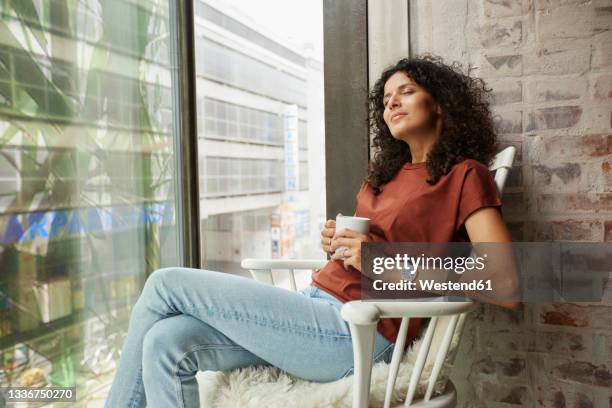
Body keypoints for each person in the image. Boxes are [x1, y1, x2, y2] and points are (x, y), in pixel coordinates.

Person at [105, 55, 514, 408]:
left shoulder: (464, 176)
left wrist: (382, 261)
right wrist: (339, 247)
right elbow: (365, 256)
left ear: (440, 103)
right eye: (387, 97)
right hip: (315, 308)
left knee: (164, 283)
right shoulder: (384, 178)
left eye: (405, 92)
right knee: (166, 341)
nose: (392, 102)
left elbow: (505, 284)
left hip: (357, 331)